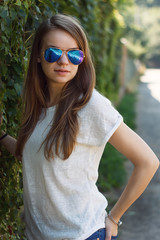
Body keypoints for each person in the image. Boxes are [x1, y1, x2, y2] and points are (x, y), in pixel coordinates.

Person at [0, 14, 159, 240]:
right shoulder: (38, 105)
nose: (63, 61)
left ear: (81, 59)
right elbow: (31, 155)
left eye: (73, 54)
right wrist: (2, 136)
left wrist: (114, 218)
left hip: (82, 234)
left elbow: (148, 162)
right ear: (37, 56)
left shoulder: (90, 106)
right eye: (53, 52)